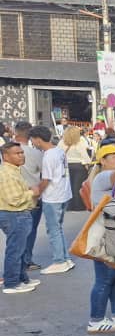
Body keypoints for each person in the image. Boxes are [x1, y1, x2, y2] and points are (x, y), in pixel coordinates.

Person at [85, 143, 115, 333]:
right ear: (103, 161)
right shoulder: (104, 176)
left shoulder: (107, 176)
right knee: (105, 278)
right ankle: (95, 319)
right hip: (106, 235)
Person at [28, 126, 74, 275]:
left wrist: (36, 191)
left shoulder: (48, 155)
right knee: (58, 228)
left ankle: (59, 260)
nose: (33, 143)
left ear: (38, 140)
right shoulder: (59, 150)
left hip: (53, 196)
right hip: (64, 193)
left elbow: (46, 179)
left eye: (33, 140)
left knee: (53, 229)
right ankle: (65, 259)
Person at [0, 142, 41, 294]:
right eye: (17, 153)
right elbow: (14, 199)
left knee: (21, 249)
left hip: (19, 213)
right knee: (15, 250)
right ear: (6, 156)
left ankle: (22, 278)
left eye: (21, 152)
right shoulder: (7, 173)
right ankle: (11, 283)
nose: (21, 155)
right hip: (14, 214)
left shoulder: (14, 171)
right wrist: (33, 193)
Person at [12, 122, 43, 272]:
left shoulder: (5, 152)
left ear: (15, 133)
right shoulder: (36, 153)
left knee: (15, 233)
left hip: (12, 197)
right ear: (30, 136)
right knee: (30, 231)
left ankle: (16, 263)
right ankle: (26, 260)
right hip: (33, 197)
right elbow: (44, 173)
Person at [59, 125, 92, 211]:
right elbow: (85, 156)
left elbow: (59, 155)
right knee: (77, 187)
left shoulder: (62, 142)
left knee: (67, 187)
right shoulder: (80, 142)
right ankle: (78, 206)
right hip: (79, 166)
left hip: (66, 166)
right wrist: (88, 163)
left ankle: (69, 206)